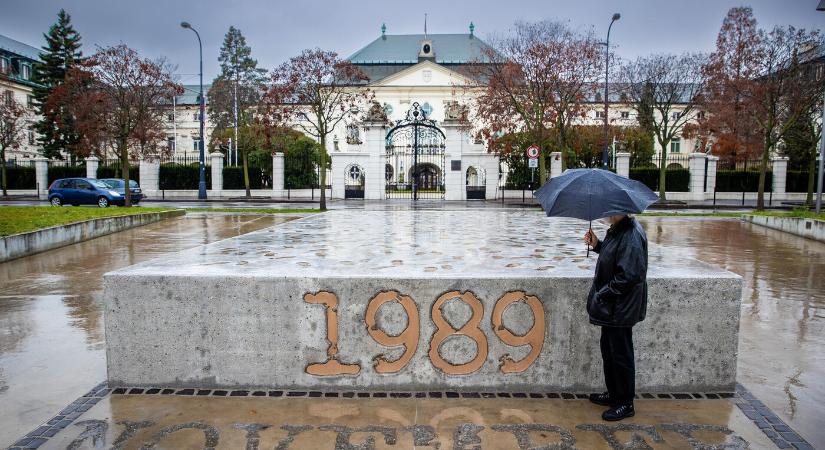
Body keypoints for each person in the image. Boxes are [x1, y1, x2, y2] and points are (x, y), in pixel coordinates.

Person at [583, 214, 648, 421]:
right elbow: (616, 259)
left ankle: (625, 403)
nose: (608, 213)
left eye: (612, 210)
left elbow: (629, 275)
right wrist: (597, 245)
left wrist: (603, 293)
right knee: (609, 351)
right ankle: (613, 395)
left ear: (622, 209)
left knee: (621, 355)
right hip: (613, 307)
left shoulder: (630, 234)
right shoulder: (619, 230)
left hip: (620, 307)